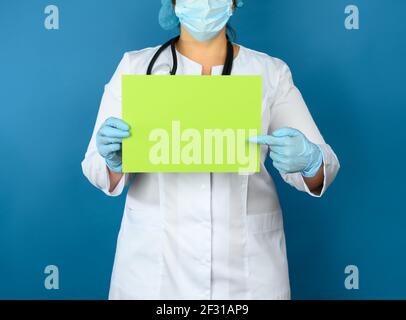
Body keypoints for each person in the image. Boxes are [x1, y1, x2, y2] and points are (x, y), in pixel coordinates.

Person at [82, 0, 340, 300]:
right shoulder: (136, 68)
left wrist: (309, 161)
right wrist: (113, 160)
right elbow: (96, 168)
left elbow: (323, 169)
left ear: (233, 2)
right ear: (174, 2)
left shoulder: (270, 73)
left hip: (247, 274)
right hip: (154, 272)